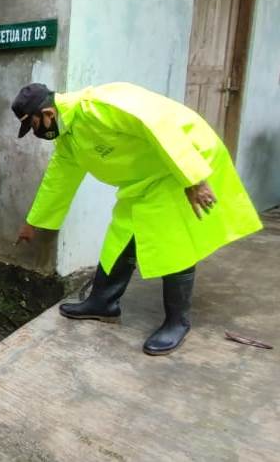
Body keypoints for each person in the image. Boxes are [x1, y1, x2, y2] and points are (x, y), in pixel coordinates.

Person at [13, 82, 262, 355]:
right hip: (145, 179)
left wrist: (193, 178)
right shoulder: (68, 136)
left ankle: (177, 322)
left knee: (170, 241)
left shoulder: (99, 106)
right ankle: (103, 303)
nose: (36, 133)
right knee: (120, 235)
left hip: (181, 161)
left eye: (34, 125)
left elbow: (158, 125)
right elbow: (58, 181)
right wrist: (33, 223)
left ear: (48, 113)